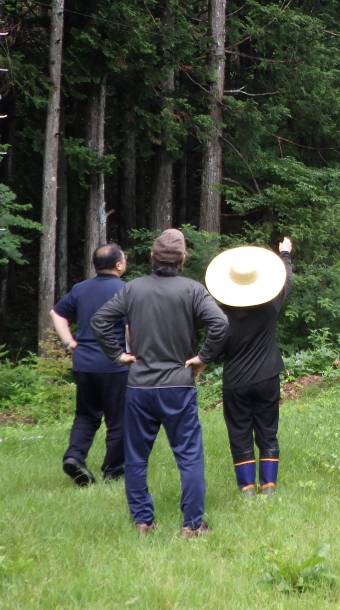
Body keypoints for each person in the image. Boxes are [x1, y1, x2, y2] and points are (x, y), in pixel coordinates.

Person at [91, 228, 228, 537]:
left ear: (152, 256)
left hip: (139, 386)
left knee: (136, 458)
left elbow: (100, 321)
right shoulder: (192, 290)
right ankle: (192, 525)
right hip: (179, 385)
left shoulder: (133, 289)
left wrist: (119, 355)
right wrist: (202, 358)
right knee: (189, 456)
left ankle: (143, 522)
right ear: (183, 259)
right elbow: (220, 323)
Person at [205, 237, 294, 497]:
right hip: (267, 376)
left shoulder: (221, 315)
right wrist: (285, 254)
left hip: (235, 381)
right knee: (268, 430)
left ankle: (247, 489)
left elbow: (216, 348)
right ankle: (269, 486)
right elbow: (286, 281)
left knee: (239, 432)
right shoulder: (270, 307)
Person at [50, 243, 129, 486]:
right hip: (114, 364)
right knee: (118, 420)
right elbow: (130, 328)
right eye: (124, 258)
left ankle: (74, 457)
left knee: (86, 415)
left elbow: (56, 313)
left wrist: (69, 342)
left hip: (83, 363)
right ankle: (114, 471)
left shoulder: (80, 288)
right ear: (118, 265)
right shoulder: (125, 290)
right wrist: (133, 355)